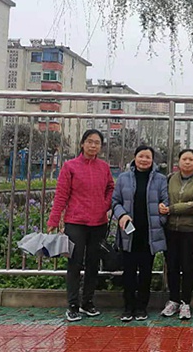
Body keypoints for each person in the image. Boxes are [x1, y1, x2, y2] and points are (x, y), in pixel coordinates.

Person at [47, 129, 115, 322]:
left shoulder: (104, 167)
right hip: (75, 222)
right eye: (90, 141)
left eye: (97, 142)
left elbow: (111, 188)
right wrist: (53, 220)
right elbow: (61, 195)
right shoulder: (70, 166)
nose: (93, 145)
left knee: (93, 264)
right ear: (82, 144)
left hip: (98, 223)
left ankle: (88, 302)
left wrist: (104, 205)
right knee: (75, 264)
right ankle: (73, 305)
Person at [112, 145, 169, 322]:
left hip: (149, 234)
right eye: (141, 156)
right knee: (128, 272)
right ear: (135, 157)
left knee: (146, 272)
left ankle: (142, 307)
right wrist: (121, 215)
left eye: (148, 157)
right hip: (129, 233)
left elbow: (166, 201)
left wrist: (160, 219)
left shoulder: (160, 179)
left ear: (152, 160)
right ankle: (128, 307)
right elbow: (115, 201)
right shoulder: (123, 178)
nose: (144, 160)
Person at [160, 149, 193, 320]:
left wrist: (173, 209)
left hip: (190, 229)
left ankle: (186, 302)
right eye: (184, 159)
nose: (187, 162)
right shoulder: (170, 178)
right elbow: (163, 198)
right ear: (178, 162)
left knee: (188, 266)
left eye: (191, 159)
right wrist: (162, 206)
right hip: (171, 229)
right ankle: (173, 300)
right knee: (172, 266)